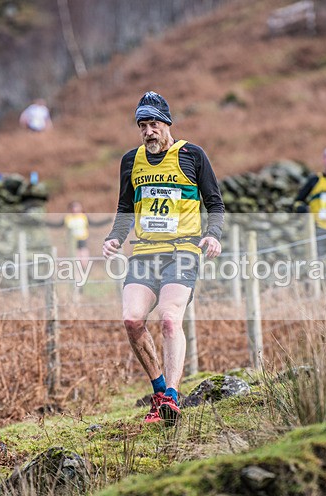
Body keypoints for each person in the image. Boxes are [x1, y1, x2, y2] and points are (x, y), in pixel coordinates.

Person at [103, 91, 224, 426]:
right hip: (144, 253)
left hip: (182, 250)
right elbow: (125, 209)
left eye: (153, 124)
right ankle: (159, 392)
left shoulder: (192, 155)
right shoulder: (130, 161)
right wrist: (115, 236)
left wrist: (213, 234)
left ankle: (171, 396)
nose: (148, 131)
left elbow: (214, 203)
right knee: (132, 320)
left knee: (170, 319)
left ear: (167, 124)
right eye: (142, 125)